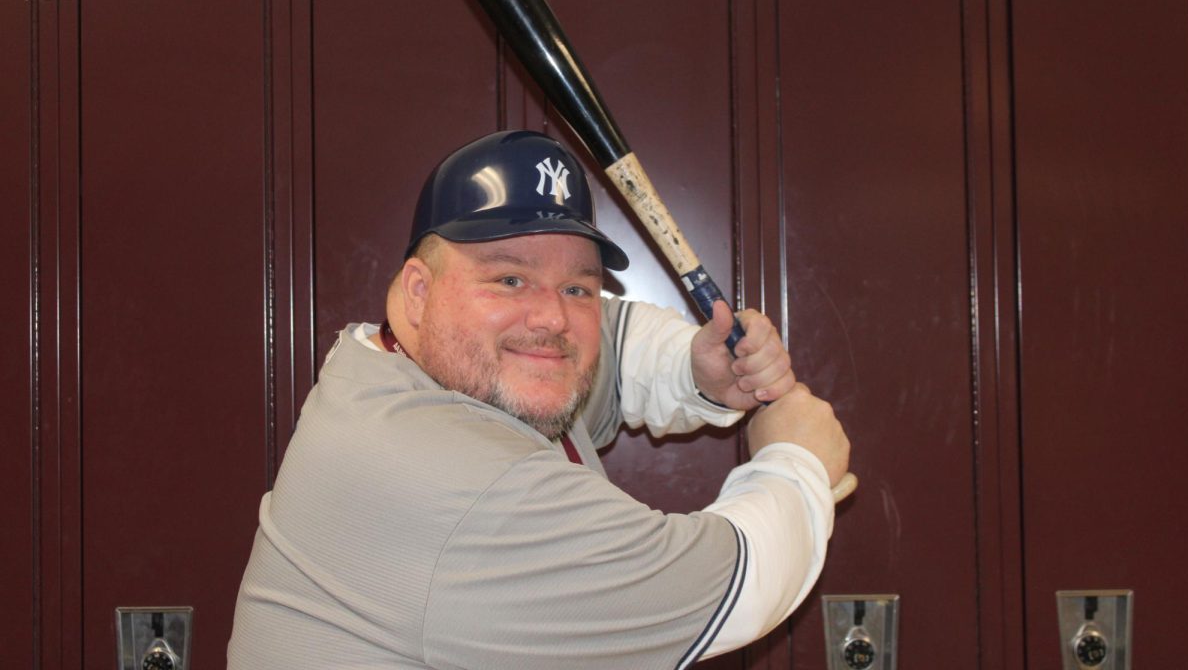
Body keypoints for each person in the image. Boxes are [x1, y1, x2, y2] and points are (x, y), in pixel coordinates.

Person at [228, 129, 850, 669]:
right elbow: (731, 586)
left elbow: (614, 342)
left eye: (577, 287)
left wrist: (696, 368)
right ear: (418, 291)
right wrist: (796, 460)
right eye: (509, 278)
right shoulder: (451, 481)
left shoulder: (407, 366)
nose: (551, 318)